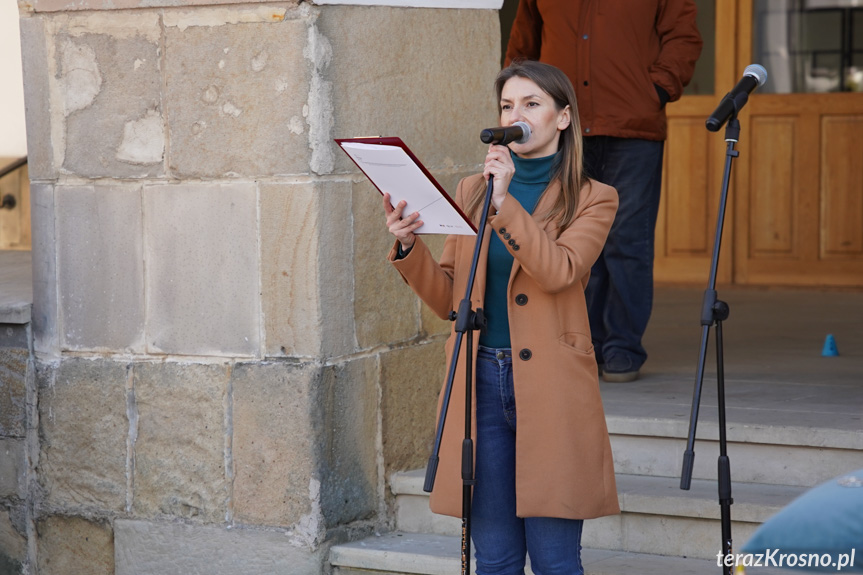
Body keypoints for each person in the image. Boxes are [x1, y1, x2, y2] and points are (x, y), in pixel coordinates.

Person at [382, 60, 619, 575]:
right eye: (508, 106)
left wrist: (507, 202)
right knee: (495, 559)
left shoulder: (594, 197)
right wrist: (409, 245)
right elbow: (452, 299)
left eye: (532, 104)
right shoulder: (472, 190)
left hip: (553, 385)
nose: (517, 115)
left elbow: (560, 271)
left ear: (562, 118)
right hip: (480, 380)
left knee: (556, 560)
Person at [506, 0, 703, 382]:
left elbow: (683, 35)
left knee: (627, 241)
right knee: (563, 235)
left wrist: (657, 88)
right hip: (566, 129)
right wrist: (527, 101)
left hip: (632, 128)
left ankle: (622, 347)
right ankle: (580, 343)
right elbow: (522, 45)